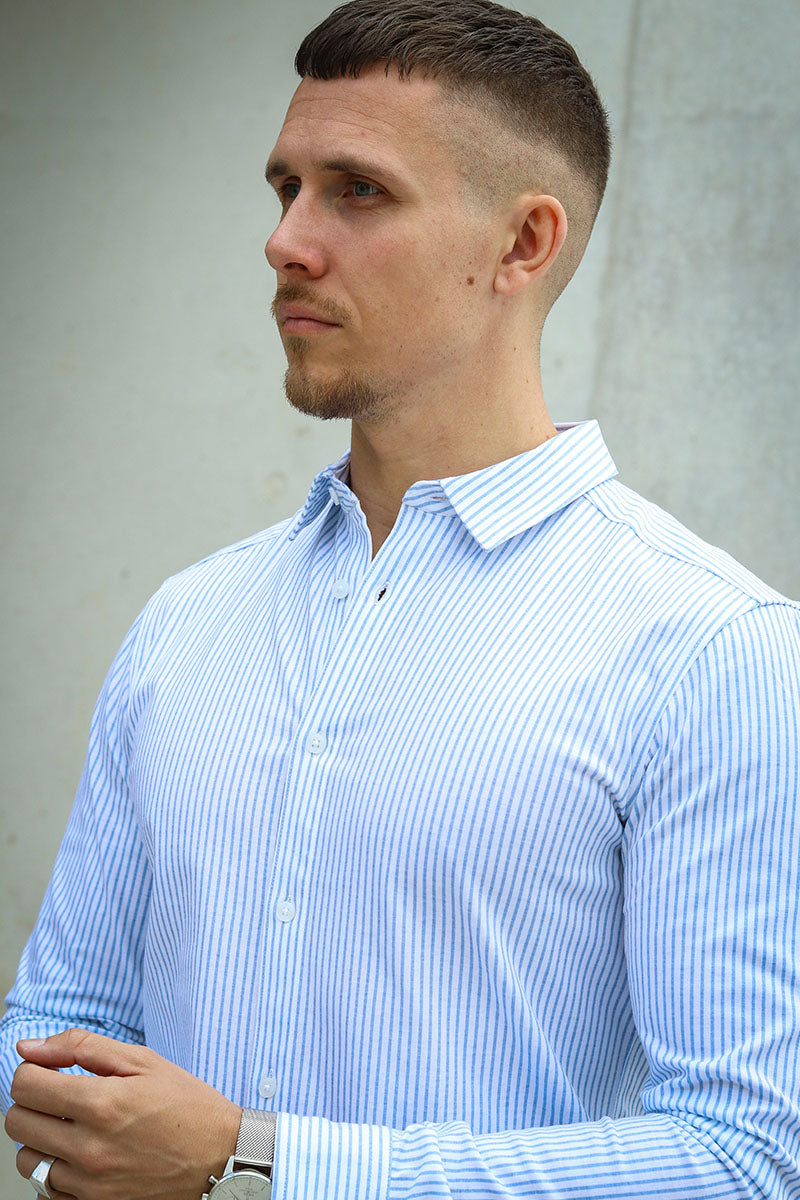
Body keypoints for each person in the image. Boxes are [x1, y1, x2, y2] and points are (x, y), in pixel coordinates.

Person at [3, 0, 799, 1196]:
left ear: (522, 244)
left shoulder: (708, 649)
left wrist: (255, 1157)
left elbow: (743, 1158)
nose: (285, 240)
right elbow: (60, 1016)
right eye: (286, 189)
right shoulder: (186, 620)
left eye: (357, 192)